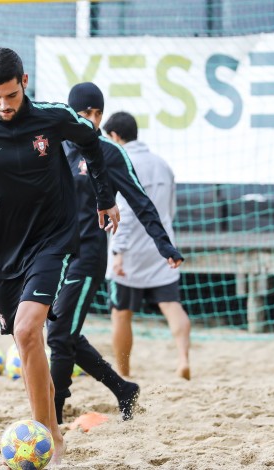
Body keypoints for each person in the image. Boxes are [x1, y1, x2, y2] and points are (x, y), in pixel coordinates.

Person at [0, 48, 120, 462]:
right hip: (5, 253)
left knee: (26, 330)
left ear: (25, 82)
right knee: (27, 340)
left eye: (11, 96)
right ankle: (53, 430)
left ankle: (46, 442)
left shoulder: (53, 118)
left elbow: (92, 141)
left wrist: (105, 199)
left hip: (53, 240)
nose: (3, 105)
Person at [48, 83, 184, 424]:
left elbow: (139, 201)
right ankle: (124, 390)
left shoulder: (109, 152)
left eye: (98, 114)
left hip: (87, 256)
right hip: (52, 257)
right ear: (71, 114)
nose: (92, 120)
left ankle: (53, 413)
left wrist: (163, 244)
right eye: (85, 114)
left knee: (60, 336)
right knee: (66, 334)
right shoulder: (53, 147)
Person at [103, 111, 192, 380]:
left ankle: (124, 372)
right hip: (162, 247)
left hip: (130, 250)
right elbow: (170, 208)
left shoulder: (121, 161)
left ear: (116, 137)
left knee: (121, 314)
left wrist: (117, 251)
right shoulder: (162, 164)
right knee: (172, 305)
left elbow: (126, 213)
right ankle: (183, 359)